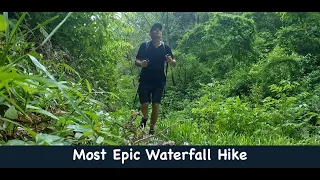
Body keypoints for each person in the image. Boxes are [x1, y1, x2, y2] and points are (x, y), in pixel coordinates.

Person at [135, 23, 176, 135]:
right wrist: (141, 64)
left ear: (161, 34)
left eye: (159, 30)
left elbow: (174, 62)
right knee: (144, 104)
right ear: (150, 34)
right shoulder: (145, 46)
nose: (157, 31)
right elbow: (137, 61)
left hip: (159, 81)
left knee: (156, 105)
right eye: (155, 30)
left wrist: (170, 61)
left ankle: (152, 128)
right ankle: (144, 118)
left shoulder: (165, 47)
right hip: (144, 80)